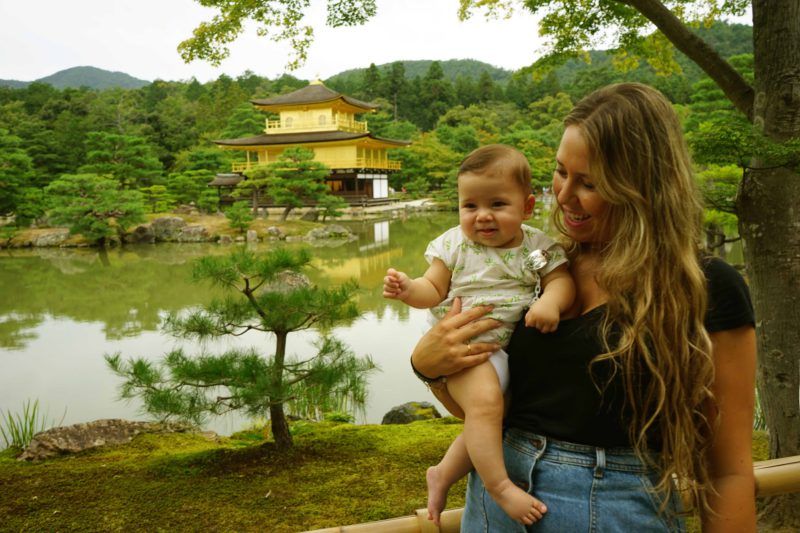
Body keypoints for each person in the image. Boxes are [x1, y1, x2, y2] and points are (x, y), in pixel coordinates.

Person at [409, 83, 757, 532]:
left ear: (643, 187)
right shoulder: (538, 265)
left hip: (613, 510)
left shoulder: (703, 286)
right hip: (496, 504)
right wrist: (430, 369)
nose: (565, 195)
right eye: (560, 172)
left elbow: (728, 470)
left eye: (589, 182)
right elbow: (493, 408)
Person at [383, 145, 575, 526]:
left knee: (495, 417)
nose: (482, 216)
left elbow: (561, 280)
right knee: (487, 406)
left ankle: (443, 472)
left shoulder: (536, 246)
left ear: (527, 206)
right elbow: (433, 289)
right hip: (466, 345)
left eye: (498, 204)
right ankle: (500, 487)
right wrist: (408, 289)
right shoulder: (454, 244)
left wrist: (551, 303)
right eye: (470, 206)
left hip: (502, 349)